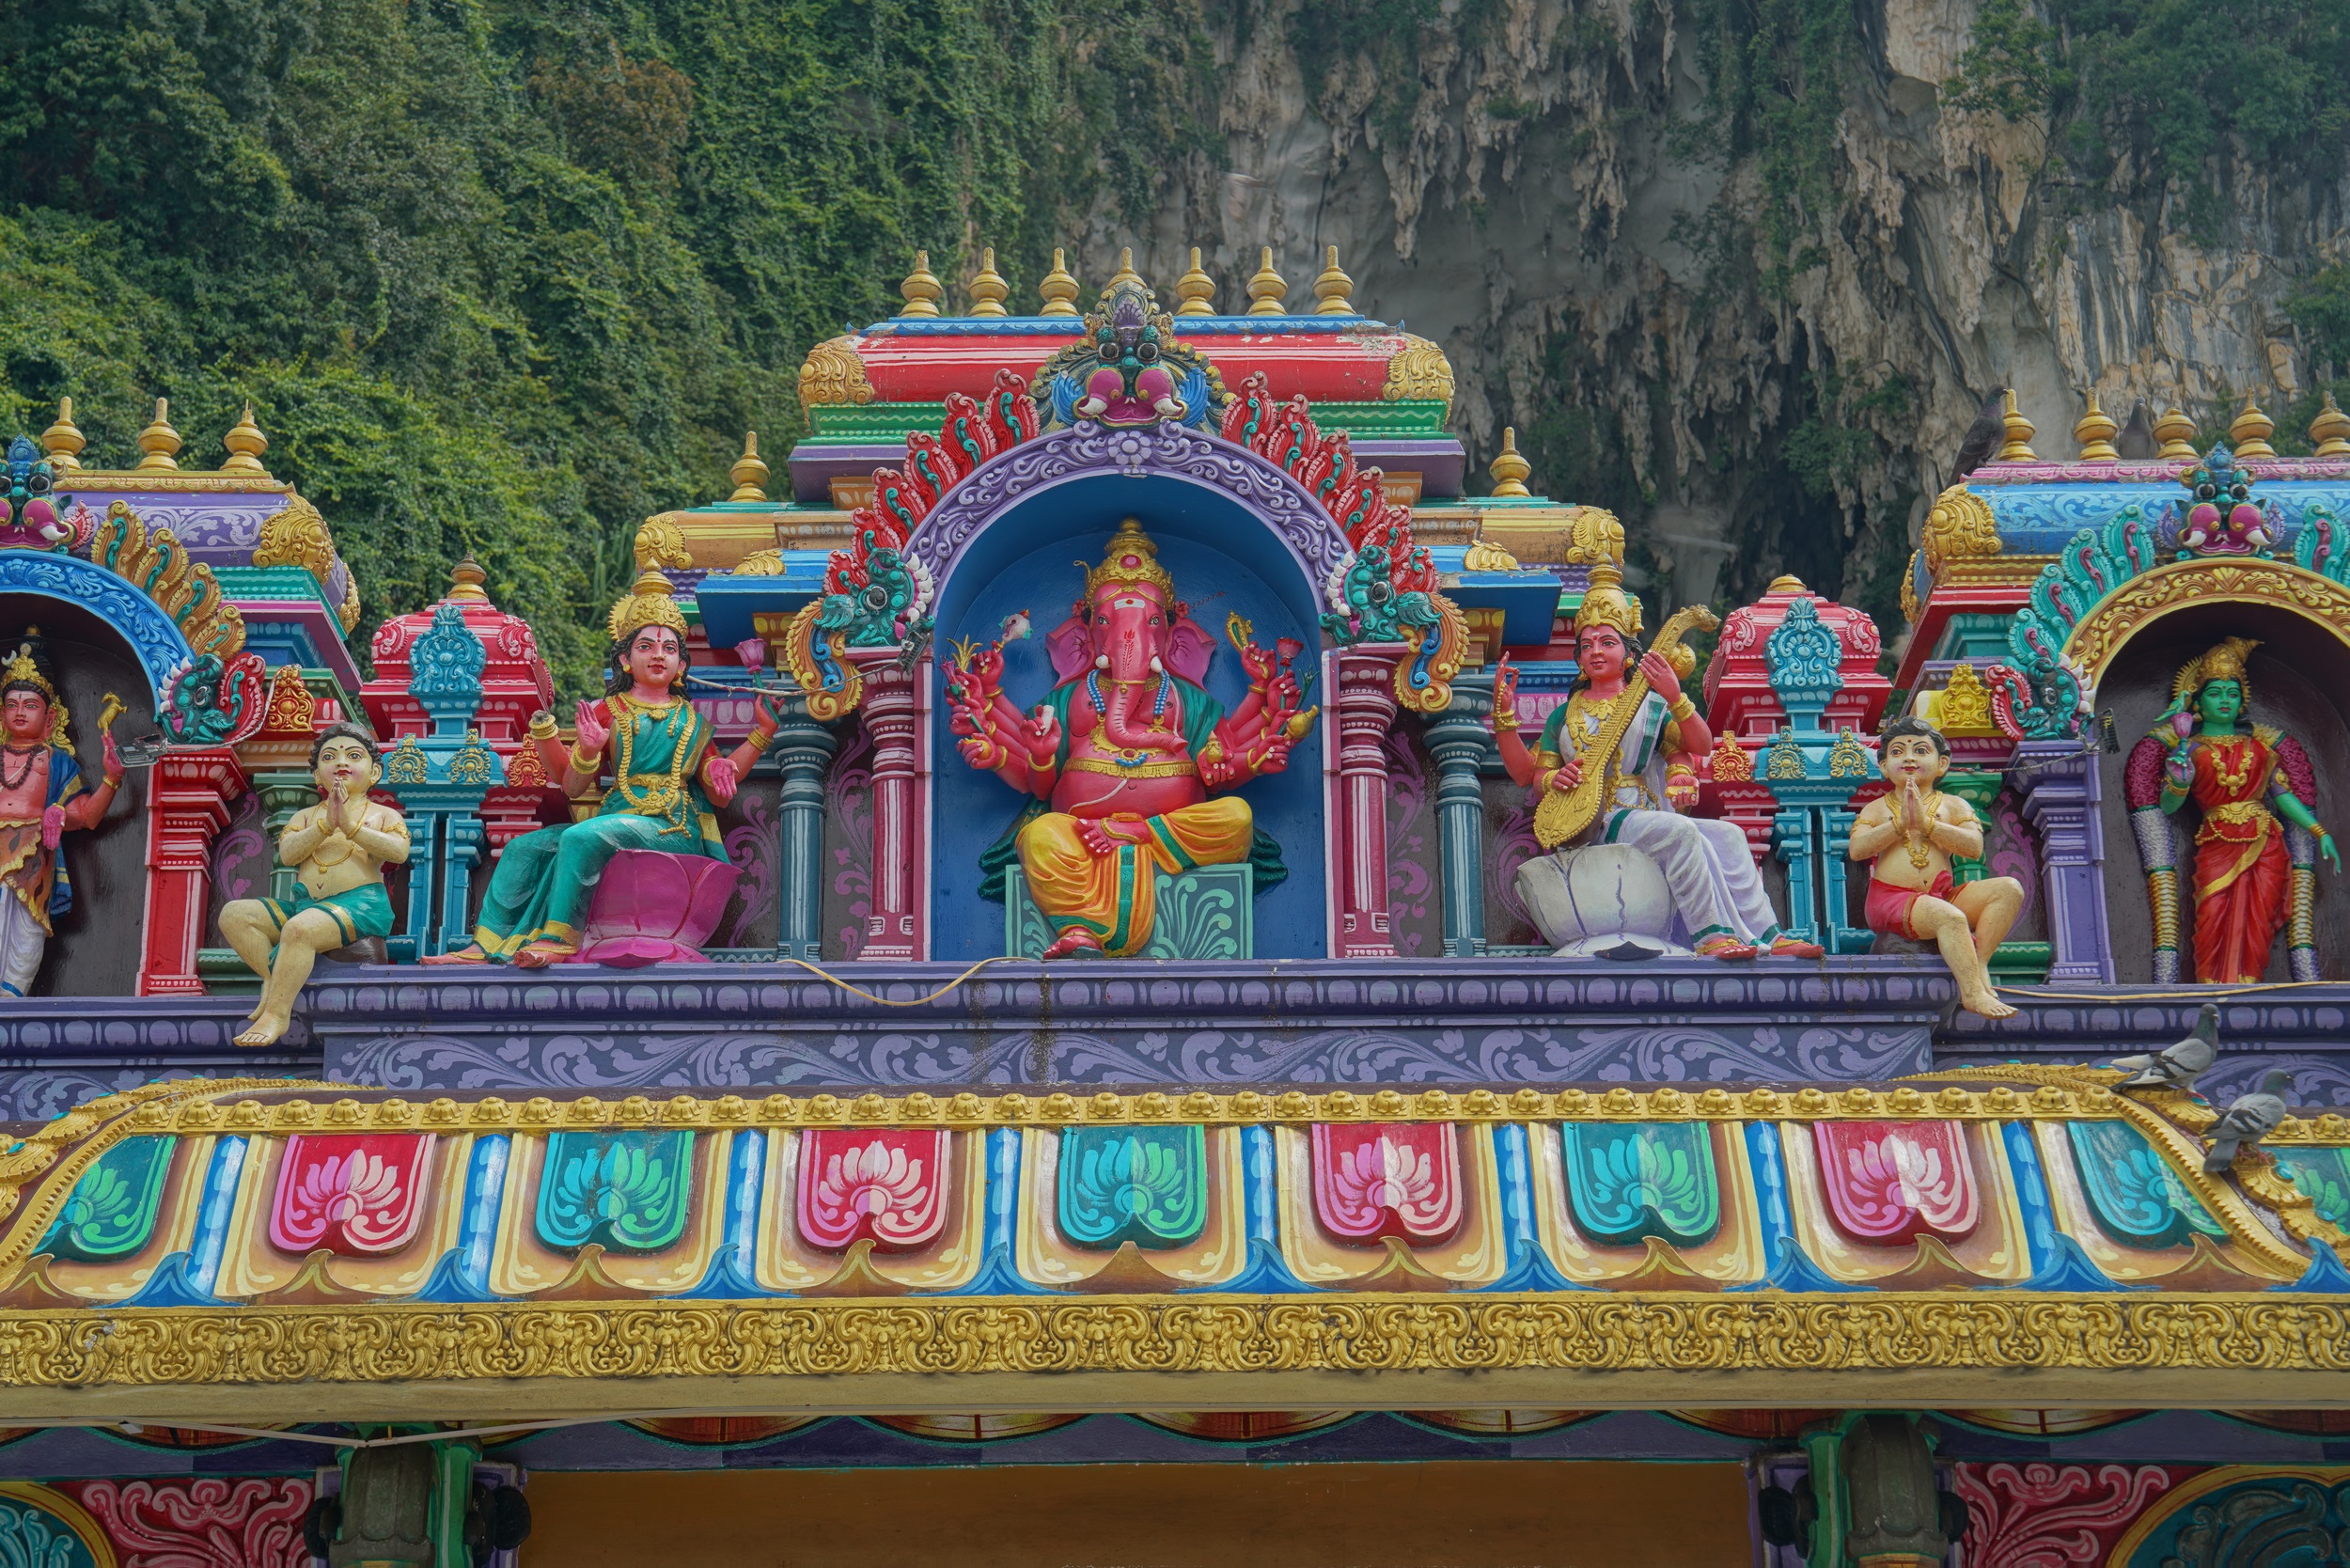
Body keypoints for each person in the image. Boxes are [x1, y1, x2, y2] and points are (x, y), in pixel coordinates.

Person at [423, 572, 776, 967]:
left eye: (668, 648)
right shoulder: (607, 711)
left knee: (583, 838)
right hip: (615, 816)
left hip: (669, 824)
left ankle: (557, 939)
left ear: (680, 665)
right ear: (626, 659)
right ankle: (484, 945)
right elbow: (573, 787)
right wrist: (589, 749)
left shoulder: (691, 721)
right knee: (525, 847)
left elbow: (718, 788)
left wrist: (761, 735)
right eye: (646, 646)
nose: (658, 655)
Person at [1490, 566, 1823, 960]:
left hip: (1643, 810)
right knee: (1679, 832)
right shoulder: (1564, 716)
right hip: (1594, 819)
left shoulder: (1650, 707)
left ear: (1629, 655)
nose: (1596, 650)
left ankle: (1770, 934)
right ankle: (1712, 937)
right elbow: (1528, 774)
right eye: (1587, 644)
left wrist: (1675, 697)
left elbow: (1701, 744)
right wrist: (1507, 721)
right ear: (1578, 658)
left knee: (1730, 836)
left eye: (1607, 642)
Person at [2154, 637, 2337, 982]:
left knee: (2256, 919)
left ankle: (2247, 985)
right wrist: (2179, 780)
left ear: (2242, 703)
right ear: (2197, 702)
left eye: (2232, 693)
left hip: (2264, 843)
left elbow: (2282, 796)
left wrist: (2319, 831)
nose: (2225, 700)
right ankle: (2212, 988)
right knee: (2212, 913)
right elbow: (2168, 806)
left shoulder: (2261, 749)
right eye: (2215, 692)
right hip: (2217, 842)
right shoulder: (2188, 750)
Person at [219, 723, 408, 1046]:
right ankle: (272, 979)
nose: (341, 763)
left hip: (360, 904)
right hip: (306, 905)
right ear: (318, 776)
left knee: (299, 930)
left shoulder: (382, 815)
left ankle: (277, 1014)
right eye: (330, 757)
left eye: (353, 755)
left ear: (374, 772)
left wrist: (349, 827)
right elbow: (289, 854)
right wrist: (325, 825)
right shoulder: (305, 817)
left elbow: (398, 852)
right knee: (234, 914)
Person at [1847, 715, 2023, 1018]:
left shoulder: (1954, 805)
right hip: (1890, 899)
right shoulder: (1876, 808)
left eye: (1921, 750)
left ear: (1942, 764)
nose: (1910, 758)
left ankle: (1979, 962)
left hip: (1942, 894)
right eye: (1898, 751)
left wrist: (1928, 825)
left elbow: (1973, 847)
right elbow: (1857, 851)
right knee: (1951, 918)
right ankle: (1973, 994)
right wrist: (1898, 824)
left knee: (2008, 889)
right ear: (1884, 766)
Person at [0, 633, 124, 996]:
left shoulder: (56, 762)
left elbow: (84, 816)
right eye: (12, 704)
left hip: (32, 858)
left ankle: (11, 1000)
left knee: (25, 931)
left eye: (30, 705)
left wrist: (111, 780)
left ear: (50, 717)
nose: (20, 712)